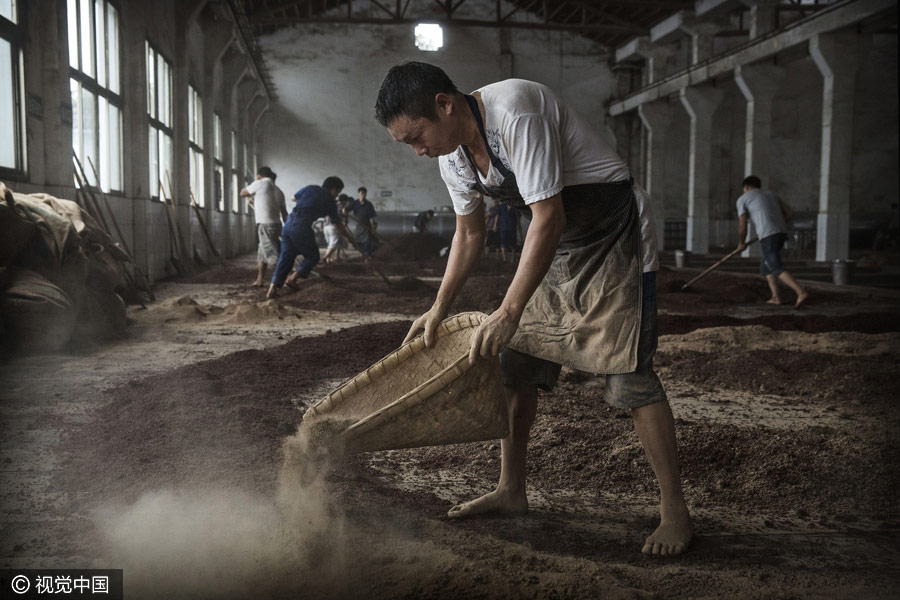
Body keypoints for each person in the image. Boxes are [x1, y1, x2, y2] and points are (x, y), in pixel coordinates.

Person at [375, 61, 692, 556]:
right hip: (558, 242)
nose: (418, 151)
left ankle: (676, 512)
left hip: (613, 234)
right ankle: (511, 489)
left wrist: (509, 309)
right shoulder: (453, 158)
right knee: (513, 364)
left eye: (417, 137)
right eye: (408, 145)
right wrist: (438, 307)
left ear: (445, 103)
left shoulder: (515, 111)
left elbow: (547, 214)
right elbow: (469, 233)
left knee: (630, 374)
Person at [267, 176, 351, 299]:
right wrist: (349, 238)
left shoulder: (311, 188)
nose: (337, 195)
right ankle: (292, 279)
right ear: (333, 189)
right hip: (301, 226)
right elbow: (338, 223)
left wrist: (307, 202)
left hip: (288, 224)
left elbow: (294, 198)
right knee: (313, 256)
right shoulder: (330, 201)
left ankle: (272, 289)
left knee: (286, 257)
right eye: (338, 192)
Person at [736, 175, 808, 308]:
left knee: (775, 265)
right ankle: (775, 297)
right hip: (781, 232)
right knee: (766, 265)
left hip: (769, 234)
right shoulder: (771, 194)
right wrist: (776, 224)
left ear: (746, 187)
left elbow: (742, 224)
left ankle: (801, 291)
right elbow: (790, 213)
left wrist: (741, 243)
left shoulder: (743, 199)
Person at [241, 166, 288, 287]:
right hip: (276, 225)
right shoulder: (278, 191)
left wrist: (253, 186)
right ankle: (259, 280)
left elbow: (243, 193)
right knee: (262, 255)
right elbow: (283, 213)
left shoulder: (260, 183)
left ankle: (289, 279)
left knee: (273, 257)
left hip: (265, 226)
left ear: (259, 176)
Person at [348, 186, 380, 256]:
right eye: (362, 193)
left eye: (364, 193)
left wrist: (373, 228)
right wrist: (344, 210)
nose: (363, 195)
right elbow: (347, 209)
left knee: (367, 242)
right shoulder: (355, 203)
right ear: (358, 194)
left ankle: (367, 257)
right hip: (358, 226)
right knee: (357, 242)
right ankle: (364, 255)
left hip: (366, 227)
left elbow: (371, 218)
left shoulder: (369, 205)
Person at [322, 193, 352, 264]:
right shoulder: (342, 207)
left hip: (326, 226)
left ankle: (331, 258)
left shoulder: (332, 205)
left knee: (333, 243)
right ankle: (325, 257)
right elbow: (344, 215)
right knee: (334, 243)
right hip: (333, 226)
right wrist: (345, 218)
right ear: (345, 201)